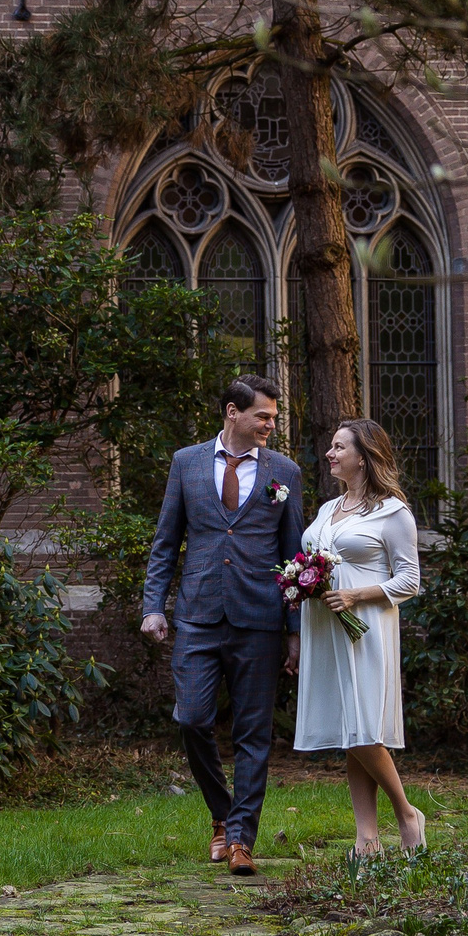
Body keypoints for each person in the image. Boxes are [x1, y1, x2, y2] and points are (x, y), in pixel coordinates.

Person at [140, 375, 306, 875]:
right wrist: (154, 606)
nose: (270, 425)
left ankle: (240, 840)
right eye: (263, 416)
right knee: (191, 718)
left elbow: (294, 555)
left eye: (274, 418)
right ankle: (222, 814)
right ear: (232, 412)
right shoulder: (186, 463)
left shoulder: (286, 473)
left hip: (260, 618)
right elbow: (166, 541)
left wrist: (295, 630)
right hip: (197, 613)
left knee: (254, 733)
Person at [294, 418, 426, 856]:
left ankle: (407, 813)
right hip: (326, 629)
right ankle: (366, 838)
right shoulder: (327, 510)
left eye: (338, 447)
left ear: (364, 455)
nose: (329, 454)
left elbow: (409, 581)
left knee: (365, 728)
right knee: (350, 730)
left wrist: (356, 594)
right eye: (331, 447)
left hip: (366, 629)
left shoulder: (393, 512)